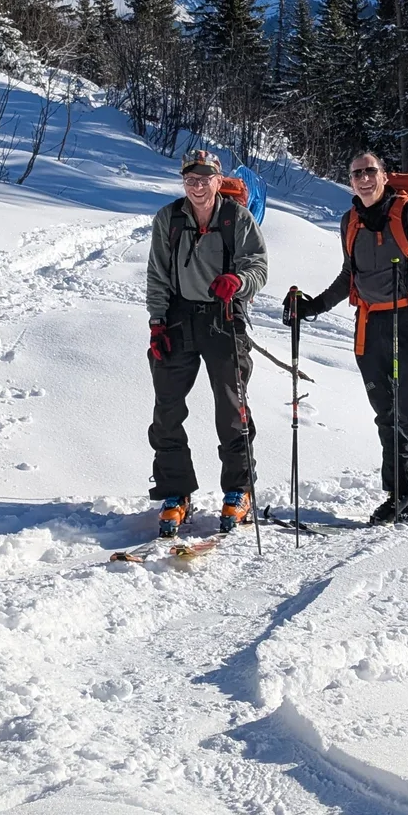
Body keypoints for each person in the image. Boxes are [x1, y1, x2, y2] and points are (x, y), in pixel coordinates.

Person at [284, 151, 408, 524]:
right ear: (350, 180)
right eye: (356, 173)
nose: (363, 178)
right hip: (370, 324)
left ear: (384, 175)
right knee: (386, 415)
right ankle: (398, 493)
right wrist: (315, 306)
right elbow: (350, 275)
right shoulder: (350, 222)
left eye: (369, 171)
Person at [144, 147, 269, 536]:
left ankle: (238, 490)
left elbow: (258, 265)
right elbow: (158, 273)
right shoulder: (169, 218)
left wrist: (239, 282)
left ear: (218, 181)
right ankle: (175, 493)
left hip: (223, 317)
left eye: (205, 178)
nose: (197, 185)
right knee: (167, 408)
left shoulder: (236, 218)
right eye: (190, 179)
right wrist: (157, 322)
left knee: (232, 410)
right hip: (179, 318)